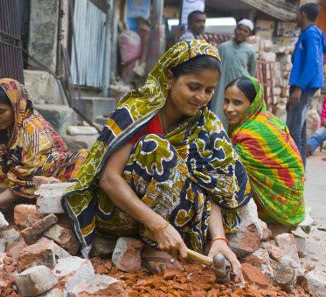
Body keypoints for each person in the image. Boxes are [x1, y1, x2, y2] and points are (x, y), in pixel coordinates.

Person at [62, 40, 251, 283]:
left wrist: (219, 240)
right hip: (123, 213)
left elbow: (214, 187)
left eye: (209, 90)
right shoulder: (138, 111)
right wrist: (158, 226)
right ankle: (152, 245)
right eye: (193, 87)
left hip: (175, 223)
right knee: (155, 148)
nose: (201, 98)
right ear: (170, 78)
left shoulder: (206, 124)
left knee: (213, 173)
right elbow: (109, 179)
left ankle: (178, 242)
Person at [0, 78, 88, 211]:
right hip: (19, 188)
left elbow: (21, 187)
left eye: (1, 111)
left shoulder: (33, 132)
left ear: (16, 107)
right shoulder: (4, 127)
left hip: (43, 188)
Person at [223, 76, 305, 226]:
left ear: (253, 104)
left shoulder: (254, 133)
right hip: (293, 204)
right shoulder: (264, 119)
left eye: (237, 103)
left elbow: (227, 170)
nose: (229, 109)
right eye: (226, 101)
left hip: (279, 208)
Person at [286, 3, 325, 166]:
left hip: (303, 87)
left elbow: (313, 62)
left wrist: (299, 88)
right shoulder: (310, 34)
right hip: (304, 86)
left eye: (297, 13)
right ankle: (300, 169)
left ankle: (293, 170)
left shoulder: (311, 34)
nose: (296, 17)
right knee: (299, 130)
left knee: (292, 130)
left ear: (303, 14)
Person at [210, 19, 257, 128]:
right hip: (221, 88)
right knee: (218, 114)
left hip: (239, 90)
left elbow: (251, 72)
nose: (241, 32)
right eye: (240, 29)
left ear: (249, 34)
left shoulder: (250, 51)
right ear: (235, 30)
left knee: (236, 116)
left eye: (245, 31)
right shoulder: (223, 47)